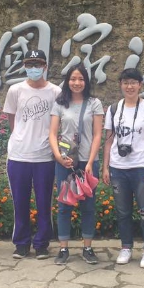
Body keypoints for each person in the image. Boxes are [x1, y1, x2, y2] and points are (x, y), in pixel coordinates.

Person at [3, 50, 62, 259]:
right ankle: (21, 243)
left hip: (45, 155)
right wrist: (21, 137)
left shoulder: (55, 91)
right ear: (25, 66)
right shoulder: (15, 90)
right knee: (20, 202)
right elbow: (12, 119)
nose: (34, 68)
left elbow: (58, 121)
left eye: (38, 64)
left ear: (45, 66)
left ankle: (42, 243)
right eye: (30, 64)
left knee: (44, 202)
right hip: (19, 155)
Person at [102, 68, 144, 268]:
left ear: (140, 85)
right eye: (126, 82)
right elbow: (108, 140)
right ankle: (126, 246)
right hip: (118, 167)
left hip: (141, 166)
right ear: (120, 85)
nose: (129, 86)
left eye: (133, 82)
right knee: (123, 211)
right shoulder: (113, 109)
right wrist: (105, 167)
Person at [48, 63, 104, 264]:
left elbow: (97, 134)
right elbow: (53, 133)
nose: (77, 82)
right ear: (67, 81)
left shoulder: (94, 103)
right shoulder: (60, 103)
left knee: (88, 206)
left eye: (81, 79)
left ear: (86, 81)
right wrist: (58, 157)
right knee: (64, 205)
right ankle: (63, 248)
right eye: (73, 79)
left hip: (88, 162)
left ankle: (87, 247)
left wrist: (90, 161)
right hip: (66, 162)